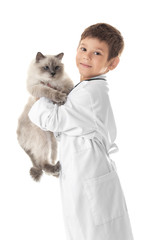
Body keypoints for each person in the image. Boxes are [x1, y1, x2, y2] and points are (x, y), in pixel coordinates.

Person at [28, 23, 134, 240]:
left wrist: (39, 96)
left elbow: (52, 119)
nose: (86, 56)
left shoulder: (91, 94)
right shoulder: (85, 88)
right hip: (85, 176)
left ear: (112, 63)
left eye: (97, 53)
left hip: (88, 179)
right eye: (83, 49)